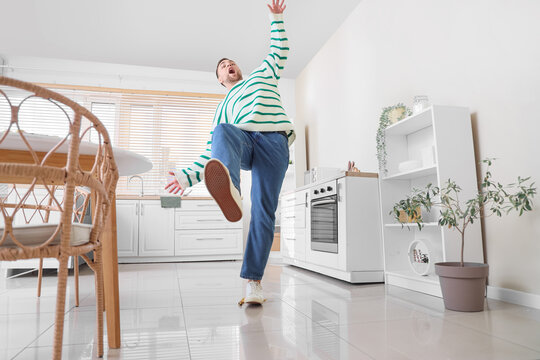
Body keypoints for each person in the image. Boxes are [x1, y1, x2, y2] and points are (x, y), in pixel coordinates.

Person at [165, 0, 294, 305]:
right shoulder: (223, 107)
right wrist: (185, 177)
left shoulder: (263, 75)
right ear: (220, 80)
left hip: (274, 143)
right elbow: (212, 153)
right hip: (244, 143)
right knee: (223, 131)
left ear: (238, 69)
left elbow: (279, 51)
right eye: (222, 66)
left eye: (230, 62)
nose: (228, 65)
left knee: (263, 211)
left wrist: (276, 18)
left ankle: (253, 283)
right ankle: (232, 190)